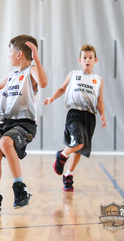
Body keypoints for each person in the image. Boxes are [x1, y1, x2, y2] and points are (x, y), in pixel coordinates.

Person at [0, 34, 48, 214]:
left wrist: (37, 58)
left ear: (19, 55)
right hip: (7, 123)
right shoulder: (12, 76)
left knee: (6, 142)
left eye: (10, 52)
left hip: (25, 124)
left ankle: (20, 189)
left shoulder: (30, 72)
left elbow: (44, 82)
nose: (8, 55)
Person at [44, 44, 106, 192]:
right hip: (75, 113)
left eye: (90, 58)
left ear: (95, 60)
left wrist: (102, 114)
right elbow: (61, 89)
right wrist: (52, 98)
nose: (87, 60)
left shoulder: (98, 79)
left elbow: (100, 100)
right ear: (80, 60)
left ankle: (68, 175)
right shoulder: (73, 74)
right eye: (84, 58)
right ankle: (62, 155)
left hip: (90, 115)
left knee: (80, 149)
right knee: (78, 142)